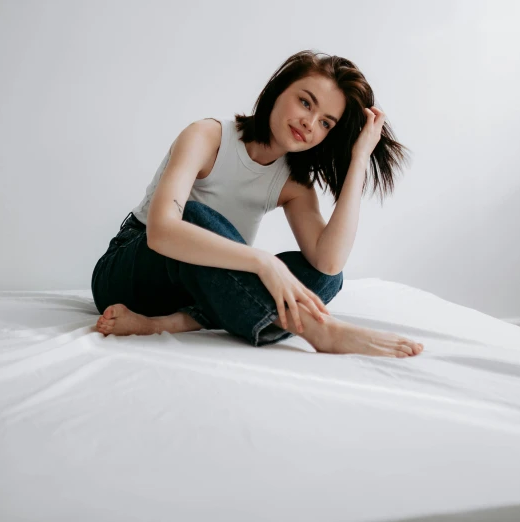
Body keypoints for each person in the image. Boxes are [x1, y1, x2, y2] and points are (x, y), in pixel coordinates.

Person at [92, 50, 424, 358]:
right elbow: (161, 232)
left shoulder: (293, 183)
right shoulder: (208, 136)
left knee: (324, 278)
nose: (310, 123)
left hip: (201, 288)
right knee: (192, 216)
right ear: (278, 90)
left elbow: (329, 261)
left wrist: (360, 158)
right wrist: (264, 263)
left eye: (325, 123)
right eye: (305, 102)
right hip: (132, 271)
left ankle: (175, 322)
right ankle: (319, 331)